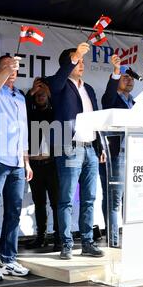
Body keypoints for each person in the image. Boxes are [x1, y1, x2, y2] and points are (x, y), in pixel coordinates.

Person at [47, 42, 106, 260]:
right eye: (77, 60)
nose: (82, 64)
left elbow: (95, 118)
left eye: (82, 61)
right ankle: (66, 244)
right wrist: (74, 55)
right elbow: (57, 83)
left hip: (90, 148)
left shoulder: (88, 88)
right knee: (66, 199)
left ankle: (88, 242)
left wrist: (100, 146)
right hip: (70, 148)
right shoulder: (59, 84)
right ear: (67, 63)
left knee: (89, 198)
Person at [0, 55, 33, 281]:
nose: (12, 70)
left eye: (14, 67)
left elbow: (23, 133)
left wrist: (26, 161)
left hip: (17, 164)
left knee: (13, 213)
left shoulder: (19, 96)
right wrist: (6, 69)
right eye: (6, 67)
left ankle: (9, 259)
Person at [100, 54, 135, 247]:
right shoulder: (111, 98)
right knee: (114, 200)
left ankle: (128, 240)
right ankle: (113, 242)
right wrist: (115, 72)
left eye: (131, 77)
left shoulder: (134, 103)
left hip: (134, 154)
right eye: (125, 77)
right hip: (116, 154)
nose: (129, 80)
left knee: (128, 200)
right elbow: (109, 93)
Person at [25, 77, 61, 252]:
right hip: (35, 166)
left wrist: (50, 93)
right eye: (37, 93)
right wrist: (30, 93)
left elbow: (61, 109)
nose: (40, 96)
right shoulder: (28, 114)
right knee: (39, 203)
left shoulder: (55, 112)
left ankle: (59, 237)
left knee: (56, 203)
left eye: (43, 93)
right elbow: (22, 107)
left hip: (52, 165)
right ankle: (41, 237)